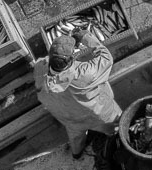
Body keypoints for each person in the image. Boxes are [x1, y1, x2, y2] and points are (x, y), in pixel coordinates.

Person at [35, 30, 121, 159]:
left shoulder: (40, 67)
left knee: (75, 135)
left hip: (68, 117)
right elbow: (106, 57)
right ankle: (117, 138)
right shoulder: (86, 73)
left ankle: (76, 153)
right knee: (114, 125)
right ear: (71, 59)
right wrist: (86, 37)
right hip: (98, 114)